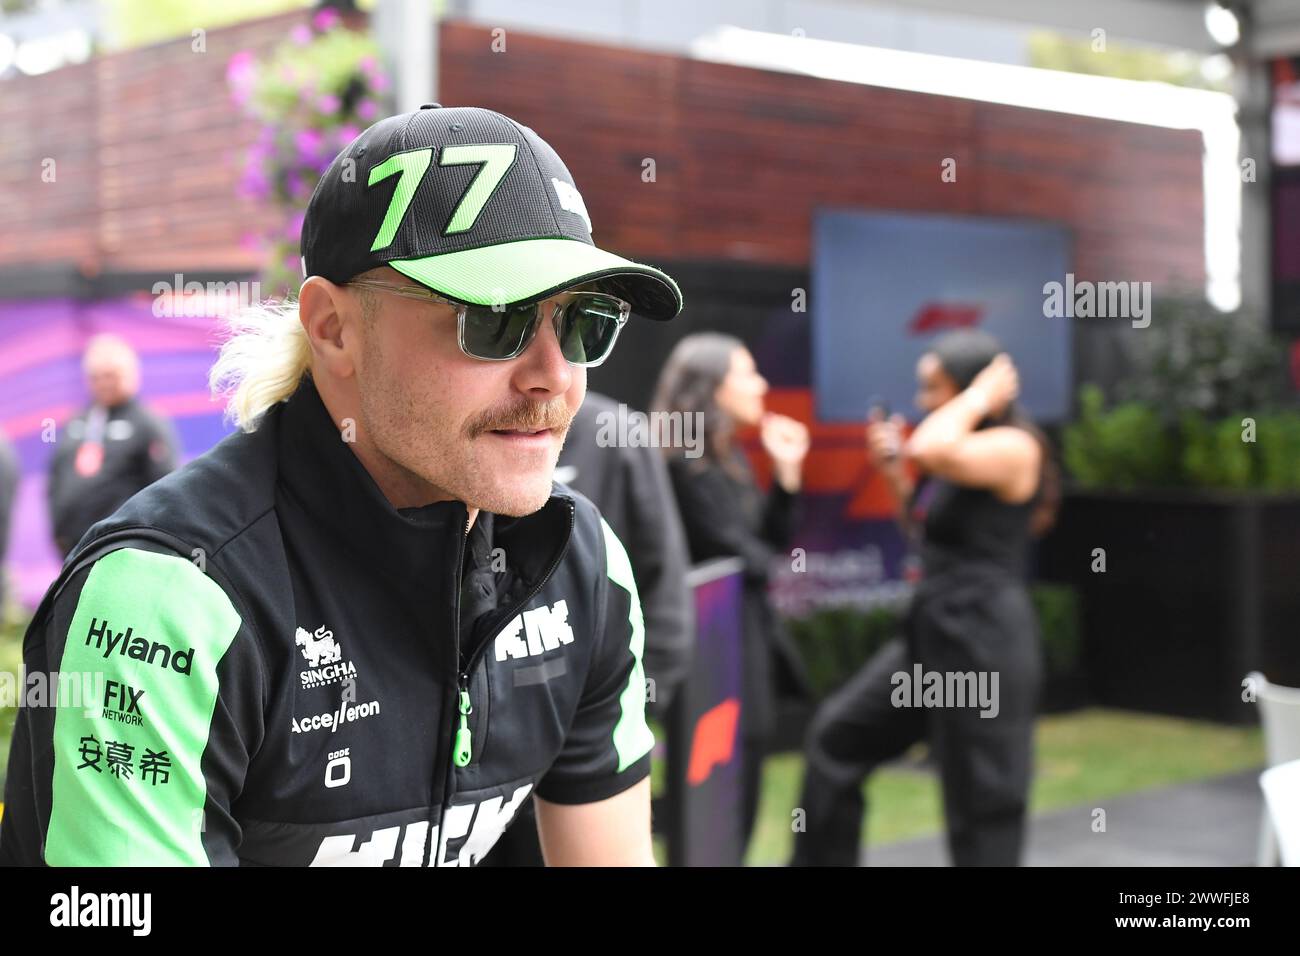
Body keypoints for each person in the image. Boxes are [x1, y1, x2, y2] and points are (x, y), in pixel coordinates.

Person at [0, 104, 684, 867]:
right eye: (498, 320)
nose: (554, 375)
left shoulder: (581, 560)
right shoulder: (167, 597)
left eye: (585, 323)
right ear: (332, 328)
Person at [790, 329, 1059, 867]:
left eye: (933, 388)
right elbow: (925, 530)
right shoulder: (958, 457)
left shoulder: (1016, 447)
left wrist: (979, 397)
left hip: (984, 644)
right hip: (930, 636)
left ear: (967, 387)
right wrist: (894, 474)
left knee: (983, 805)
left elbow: (930, 446)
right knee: (835, 740)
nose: (921, 402)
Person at [483, 391, 695, 866]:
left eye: (585, 329)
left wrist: (618, 714)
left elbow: (664, 587)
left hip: (565, 740)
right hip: (466, 757)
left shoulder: (617, 433)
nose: (551, 373)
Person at [652, 332, 813, 858]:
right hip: (716, 658)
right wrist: (762, 559)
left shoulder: (725, 458)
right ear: (712, 387)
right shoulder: (685, 465)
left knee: (736, 795)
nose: (761, 383)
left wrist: (787, 476)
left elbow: (763, 550)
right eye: (747, 373)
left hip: (742, 646)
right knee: (714, 802)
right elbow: (753, 560)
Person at [46, 334, 178, 557]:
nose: (103, 383)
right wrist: (58, 529)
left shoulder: (148, 423)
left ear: (131, 375)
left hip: (121, 547)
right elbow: (57, 475)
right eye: (95, 377)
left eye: (110, 375)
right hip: (74, 547)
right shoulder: (78, 420)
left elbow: (164, 487)